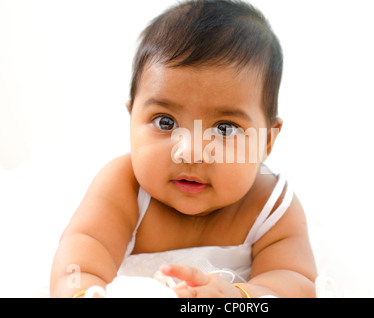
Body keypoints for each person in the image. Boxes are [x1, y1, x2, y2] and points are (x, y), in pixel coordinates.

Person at [50, 0, 317, 298]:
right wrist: (82, 292)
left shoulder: (271, 207)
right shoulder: (123, 186)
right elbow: (76, 262)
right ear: (131, 118)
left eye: (224, 129)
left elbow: (297, 284)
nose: (190, 152)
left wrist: (241, 297)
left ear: (266, 140)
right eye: (165, 122)